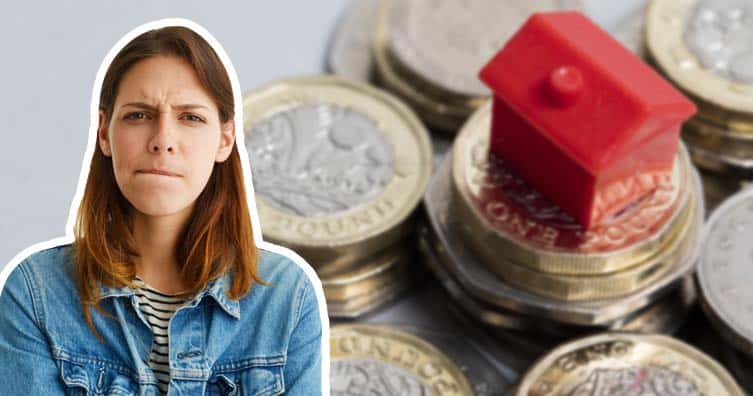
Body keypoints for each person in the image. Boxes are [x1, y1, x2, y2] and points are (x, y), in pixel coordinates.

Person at [0, 21, 324, 395]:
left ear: (225, 139)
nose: (163, 140)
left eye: (191, 117)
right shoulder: (35, 292)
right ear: (104, 133)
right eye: (138, 115)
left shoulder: (287, 296)